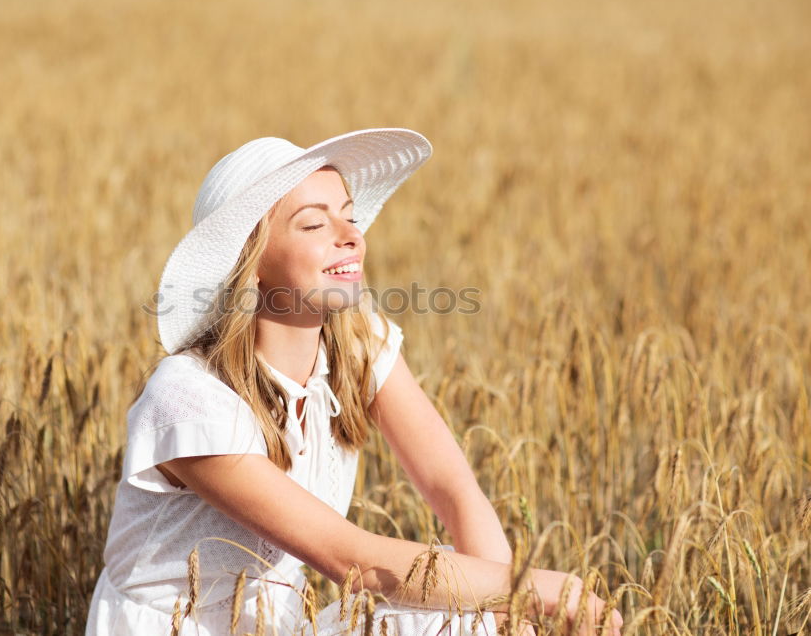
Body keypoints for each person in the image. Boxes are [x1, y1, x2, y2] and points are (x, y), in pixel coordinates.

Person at [85, 128, 623, 635]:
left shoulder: (358, 346)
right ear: (251, 265)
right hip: (175, 629)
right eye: (315, 225)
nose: (351, 236)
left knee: (462, 620)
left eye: (349, 216)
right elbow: (351, 562)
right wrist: (539, 589)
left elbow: (452, 487)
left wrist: (502, 612)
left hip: (281, 627)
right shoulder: (190, 398)